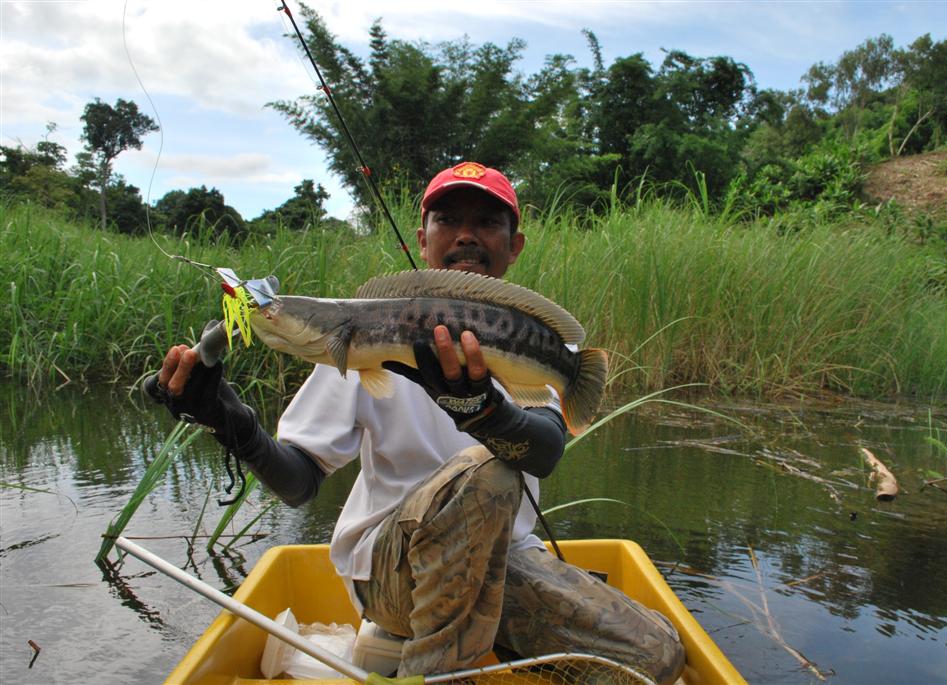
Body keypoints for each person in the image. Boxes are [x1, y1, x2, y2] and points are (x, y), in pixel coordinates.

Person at [149, 161, 685, 683]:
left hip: (503, 566)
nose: (467, 236)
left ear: (513, 245)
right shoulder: (351, 351)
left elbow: (544, 449)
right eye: (448, 220)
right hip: (389, 574)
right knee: (490, 473)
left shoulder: (531, 348)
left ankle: (471, 640)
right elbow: (299, 481)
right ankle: (426, 663)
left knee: (655, 655)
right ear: (423, 238)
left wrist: (483, 412)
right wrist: (228, 419)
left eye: (488, 222)